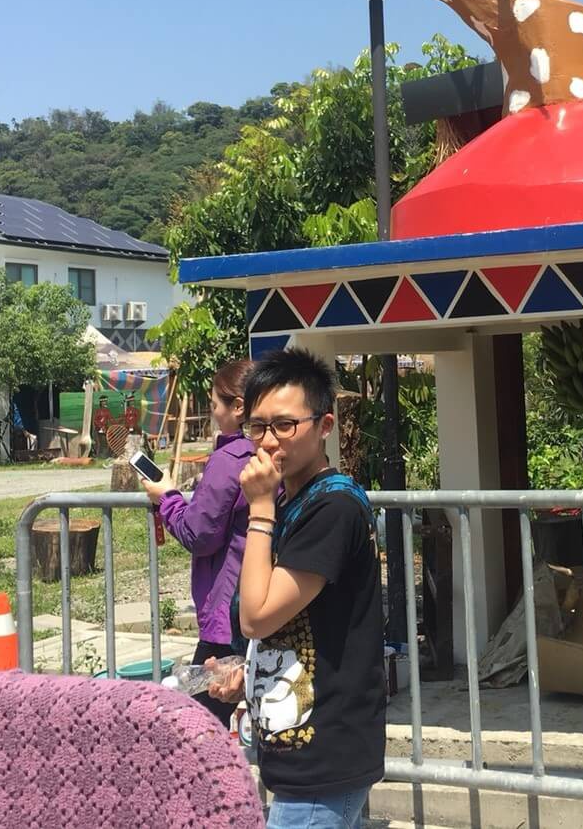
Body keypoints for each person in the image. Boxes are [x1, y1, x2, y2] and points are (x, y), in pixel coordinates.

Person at [206, 348, 385, 829]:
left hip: (324, 758)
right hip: (297, 750)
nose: (268, 442)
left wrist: (260, 508)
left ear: (325, 425)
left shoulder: (333, 507)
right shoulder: (295, 502)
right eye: (257, 426)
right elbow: (284, 620)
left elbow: (257, 615)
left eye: (285, 425)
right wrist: (247, 670)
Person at [141, 359, 254, 726]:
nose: (213, 412)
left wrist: (167, 498)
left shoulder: (230, 459)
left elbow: (199, 533)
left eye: (215, 403)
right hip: (258, 603)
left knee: (196, 726)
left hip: (227, 611)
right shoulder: (269, 454)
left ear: (238, 407)